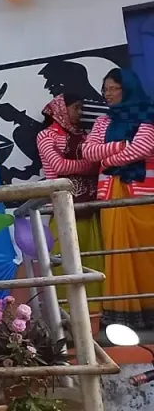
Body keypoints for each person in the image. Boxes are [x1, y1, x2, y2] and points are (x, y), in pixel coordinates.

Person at [82, 68, 154, 328]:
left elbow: (144, 147)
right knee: (118, 252)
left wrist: (109, 160)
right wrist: (121, 146)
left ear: (128, 89)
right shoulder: (103, 121)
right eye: (106, 89)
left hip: (142, 193)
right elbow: (88, 152)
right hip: (111, 192)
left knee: (148, 249)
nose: (108, 94)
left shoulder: (147, 115)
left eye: (114, 88)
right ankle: (127, 314)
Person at [37, 94, 104, 313]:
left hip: (89, 206)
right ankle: (65, 314)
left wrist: (91, 165)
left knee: (92, 258)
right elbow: (60, 166)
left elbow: (95, 162)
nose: (80, 113)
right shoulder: (46, 135)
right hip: (62, 207)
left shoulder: (84, 135)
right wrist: (89, 166)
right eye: (76, 108)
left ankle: (95, 311)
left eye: (81, 108)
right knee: (64, 260)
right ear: (61, 109)